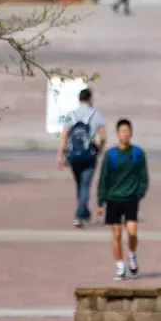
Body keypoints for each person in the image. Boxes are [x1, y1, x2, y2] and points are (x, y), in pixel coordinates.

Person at [97, 119, 149, 279]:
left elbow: (143, 176)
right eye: (121, 131)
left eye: (127, 131)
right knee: (116, 234)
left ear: (131, 133)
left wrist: (139, 193)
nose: (124, 134)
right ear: (117, 134)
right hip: (113, 198)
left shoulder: (137, 153)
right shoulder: (110, 155)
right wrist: (101, 201)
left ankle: (132, 255)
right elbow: (103, 178)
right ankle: (120, 266)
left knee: (132, 232)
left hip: (131, 198)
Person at [56, 88, 106, 228]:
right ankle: (79, 216)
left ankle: (84, 213)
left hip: (73, 157)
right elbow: (103, 137)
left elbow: (63, 135)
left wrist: (60, 155)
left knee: (80, 185)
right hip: (89, 156)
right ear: (90, 99)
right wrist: (98, 150)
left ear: (79, 99)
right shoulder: (96, 115)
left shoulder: (71, 115)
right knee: (85, 186)